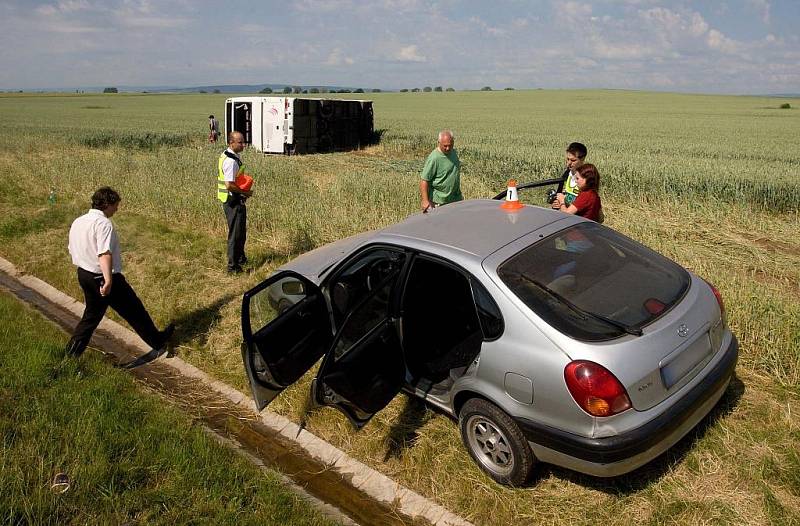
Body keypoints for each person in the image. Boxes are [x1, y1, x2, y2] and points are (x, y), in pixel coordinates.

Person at [65, 187, 174, 357]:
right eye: (115, 204)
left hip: (84, 274)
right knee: (134, 310)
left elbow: (71, 248)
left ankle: (71, 354)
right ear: (107, 204)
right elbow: (104, 254)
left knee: (91, 317)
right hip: (103, 277)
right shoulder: (103, 224)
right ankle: (158, 341)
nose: (117, 208)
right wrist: (108, 281)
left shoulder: (79, 221)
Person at [218, 131, 252, 273]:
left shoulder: (229, 155)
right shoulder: (231, 161)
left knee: (240, 232)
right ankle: (233, 267)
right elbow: (229, 184)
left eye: (243, 141)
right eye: (240, 142)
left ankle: (240, 258)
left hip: (233, 199)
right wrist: (246, 192)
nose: (243, 144)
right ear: (231, 143)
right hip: (233, 201)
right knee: (235, 234)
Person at [419, 130, 463, 212]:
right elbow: (424, 181)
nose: (448, 148)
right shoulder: (434, 158)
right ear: (439, 143)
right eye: (445, 146)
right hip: (439, 202)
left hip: (455, 199)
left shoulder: (453, 152)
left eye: (450, 145)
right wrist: (425, 200)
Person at [552, 142, 587, 210]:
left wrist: (563, 202)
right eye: (567, 159)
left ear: (582, 159)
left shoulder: (586, 178)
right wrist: (556, 203)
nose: (569, 163)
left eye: (573, 160)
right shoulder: (566, 174)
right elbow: (560, 195)